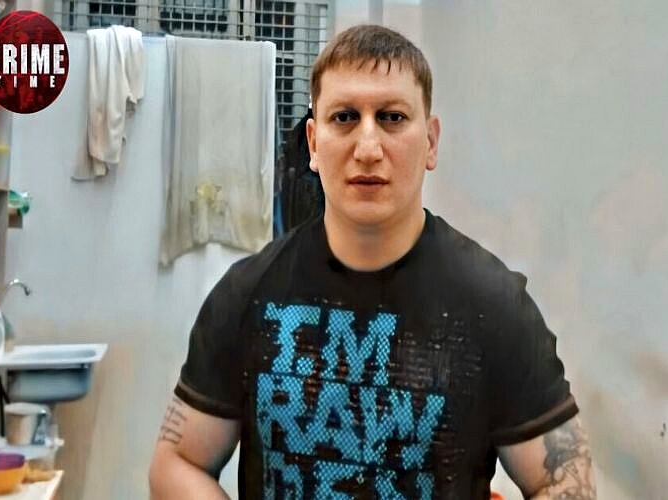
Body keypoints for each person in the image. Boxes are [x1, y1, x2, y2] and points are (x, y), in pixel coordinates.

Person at [149, 25, 596, 500]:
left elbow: (563, 480)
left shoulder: (495, 305)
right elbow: (177, 462)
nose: (367, 149)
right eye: (344, 117)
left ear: (431, 142)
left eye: (392, 118)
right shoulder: (248, 294)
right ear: (314, 143)